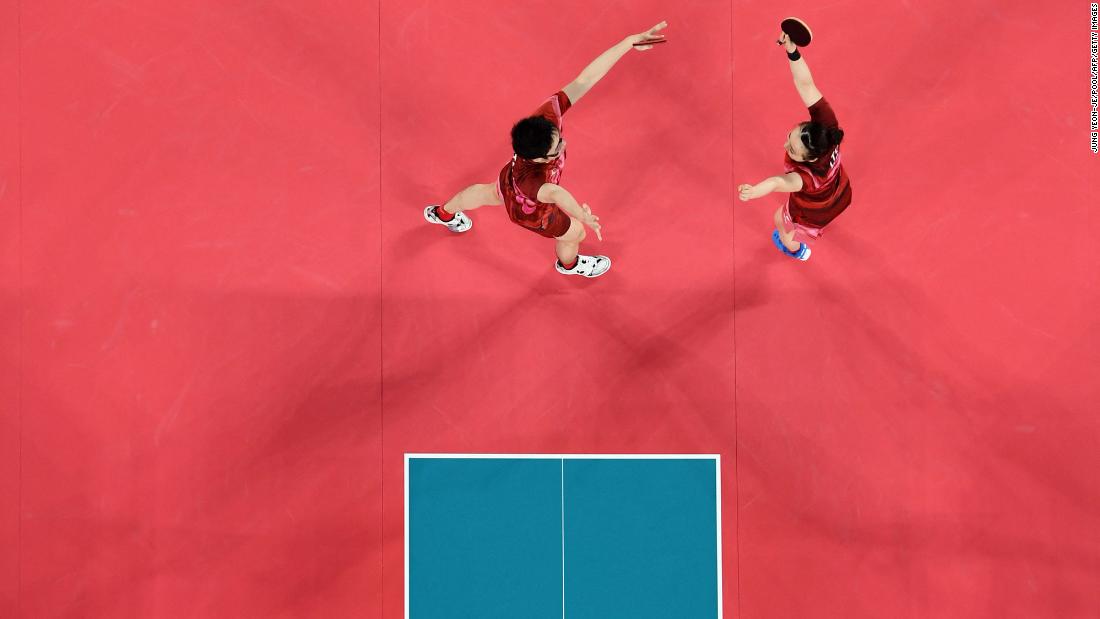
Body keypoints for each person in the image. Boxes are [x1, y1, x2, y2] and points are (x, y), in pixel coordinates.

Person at [424, 22, 669, 277]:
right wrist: (581, 215)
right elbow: (556, 195)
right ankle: (569, 266)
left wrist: (627, 42)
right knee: (576, 233)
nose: (564, 144)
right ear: (541, 158)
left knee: (488, 192)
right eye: (557, 148)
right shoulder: (537, 182)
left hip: (508, 181)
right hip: (531, 212)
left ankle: (443, 213)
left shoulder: (545, 118)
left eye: (559, 137)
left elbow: (585, 79)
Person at [738, 29, 851, 262]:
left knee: (780, 219)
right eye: (790, 136)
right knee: (784, 217)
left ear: (808, 160)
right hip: (841, 191)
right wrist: (792, 51)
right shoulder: (827, 128)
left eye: (791, 149)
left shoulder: (807, 178)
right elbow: (806, 84)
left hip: (815, 210)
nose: (784, 144)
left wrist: (752, 192)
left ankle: (796, 250)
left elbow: (778, 182)